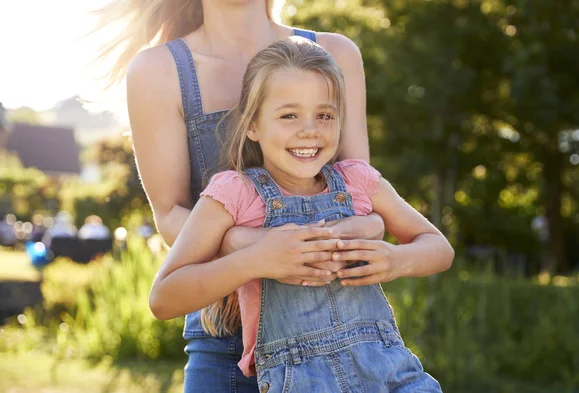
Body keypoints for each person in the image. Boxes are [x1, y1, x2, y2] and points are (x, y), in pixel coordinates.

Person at [93, 1, 386, 391]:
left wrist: (374, 227)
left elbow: (355, 193)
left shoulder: (336, 54)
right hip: (228, 345)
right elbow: (169, 215)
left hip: (343, 337)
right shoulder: (157, 70)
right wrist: (256, 249)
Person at [150, 38, 454, 392]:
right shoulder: (233, 194)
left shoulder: (359, 181)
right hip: (299, 382)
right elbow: (163, 298)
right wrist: (255, 261)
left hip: (391, 374)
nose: (310, 130)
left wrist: (396, 259)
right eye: (289, 115)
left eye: (324, 115)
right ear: (252, 125)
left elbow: (439, 248)